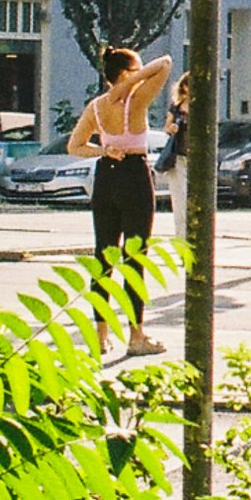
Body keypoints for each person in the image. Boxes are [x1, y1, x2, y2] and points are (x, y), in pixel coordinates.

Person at [69, 47, 172, 356]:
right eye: (135, 70)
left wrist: (103, 150)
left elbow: (75, 146)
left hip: (106, 176)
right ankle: (135, 335)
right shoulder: (135, 100)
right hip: (134, 175)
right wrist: (129, 85)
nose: (141, 76)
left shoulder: (97, 107)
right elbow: (165, 64)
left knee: (103, 257)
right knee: (134, 258)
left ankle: (100, 336)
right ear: (126, 74)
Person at [159, 73, 192, 242]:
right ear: (184, 87)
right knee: (179, 201)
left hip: (194, 160)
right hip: (177, 158)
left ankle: (192, 237)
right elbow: (166, 127)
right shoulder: (177, 106)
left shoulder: (203, 106)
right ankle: (181, 238)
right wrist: (171, 128)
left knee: (191, 200)